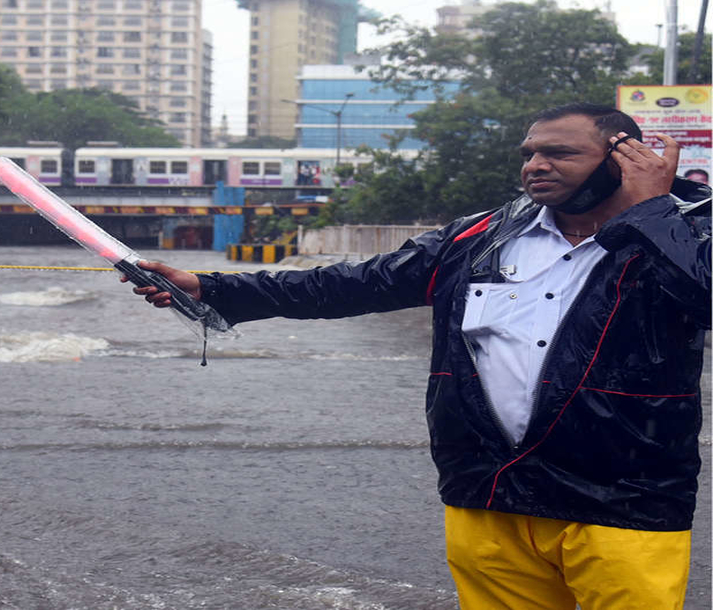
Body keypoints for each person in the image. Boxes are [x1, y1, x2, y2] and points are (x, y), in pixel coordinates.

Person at [128, 103, 710, 609]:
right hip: (490, 494)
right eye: (530, 153)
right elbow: (349, 284)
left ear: (625, 157)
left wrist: (650, 213)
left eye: (560, 153)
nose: (536, 165)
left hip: (624, 500)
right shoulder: (478, 237)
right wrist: (213, 288)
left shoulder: (687, 232)